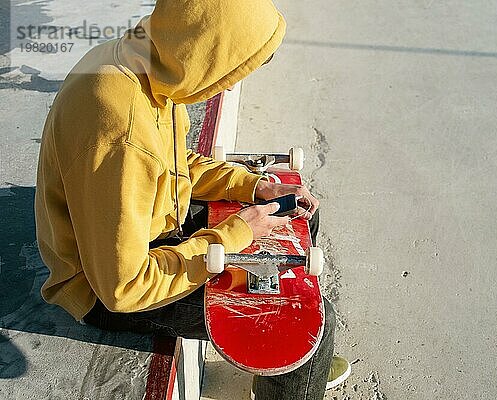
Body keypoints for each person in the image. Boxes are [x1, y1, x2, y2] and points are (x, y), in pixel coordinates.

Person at [34, 1, 350, 398]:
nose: (230, 85)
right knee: (300, 321)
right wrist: (234, 235)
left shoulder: (145, 62)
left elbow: (173, 162)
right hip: (105, 286)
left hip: (148, 227)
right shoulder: (123, 130)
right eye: (230, 69)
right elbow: (123, 287)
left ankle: (292, 373)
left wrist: (253, 186)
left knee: (298, 220)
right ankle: (298, 371)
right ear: (205, 50)